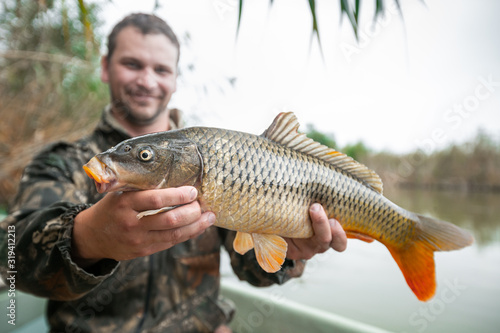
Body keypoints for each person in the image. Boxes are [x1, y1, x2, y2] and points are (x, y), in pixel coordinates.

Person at [0, 13, 347, 333]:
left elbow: (250, 268)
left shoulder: (223, 157)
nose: (147, 81)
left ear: (176, 79)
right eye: (132, 64)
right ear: (105, 67)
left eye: (161, 70)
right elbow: (9, 256)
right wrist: (88, 237)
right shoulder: (63, 161)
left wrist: (292, 253)